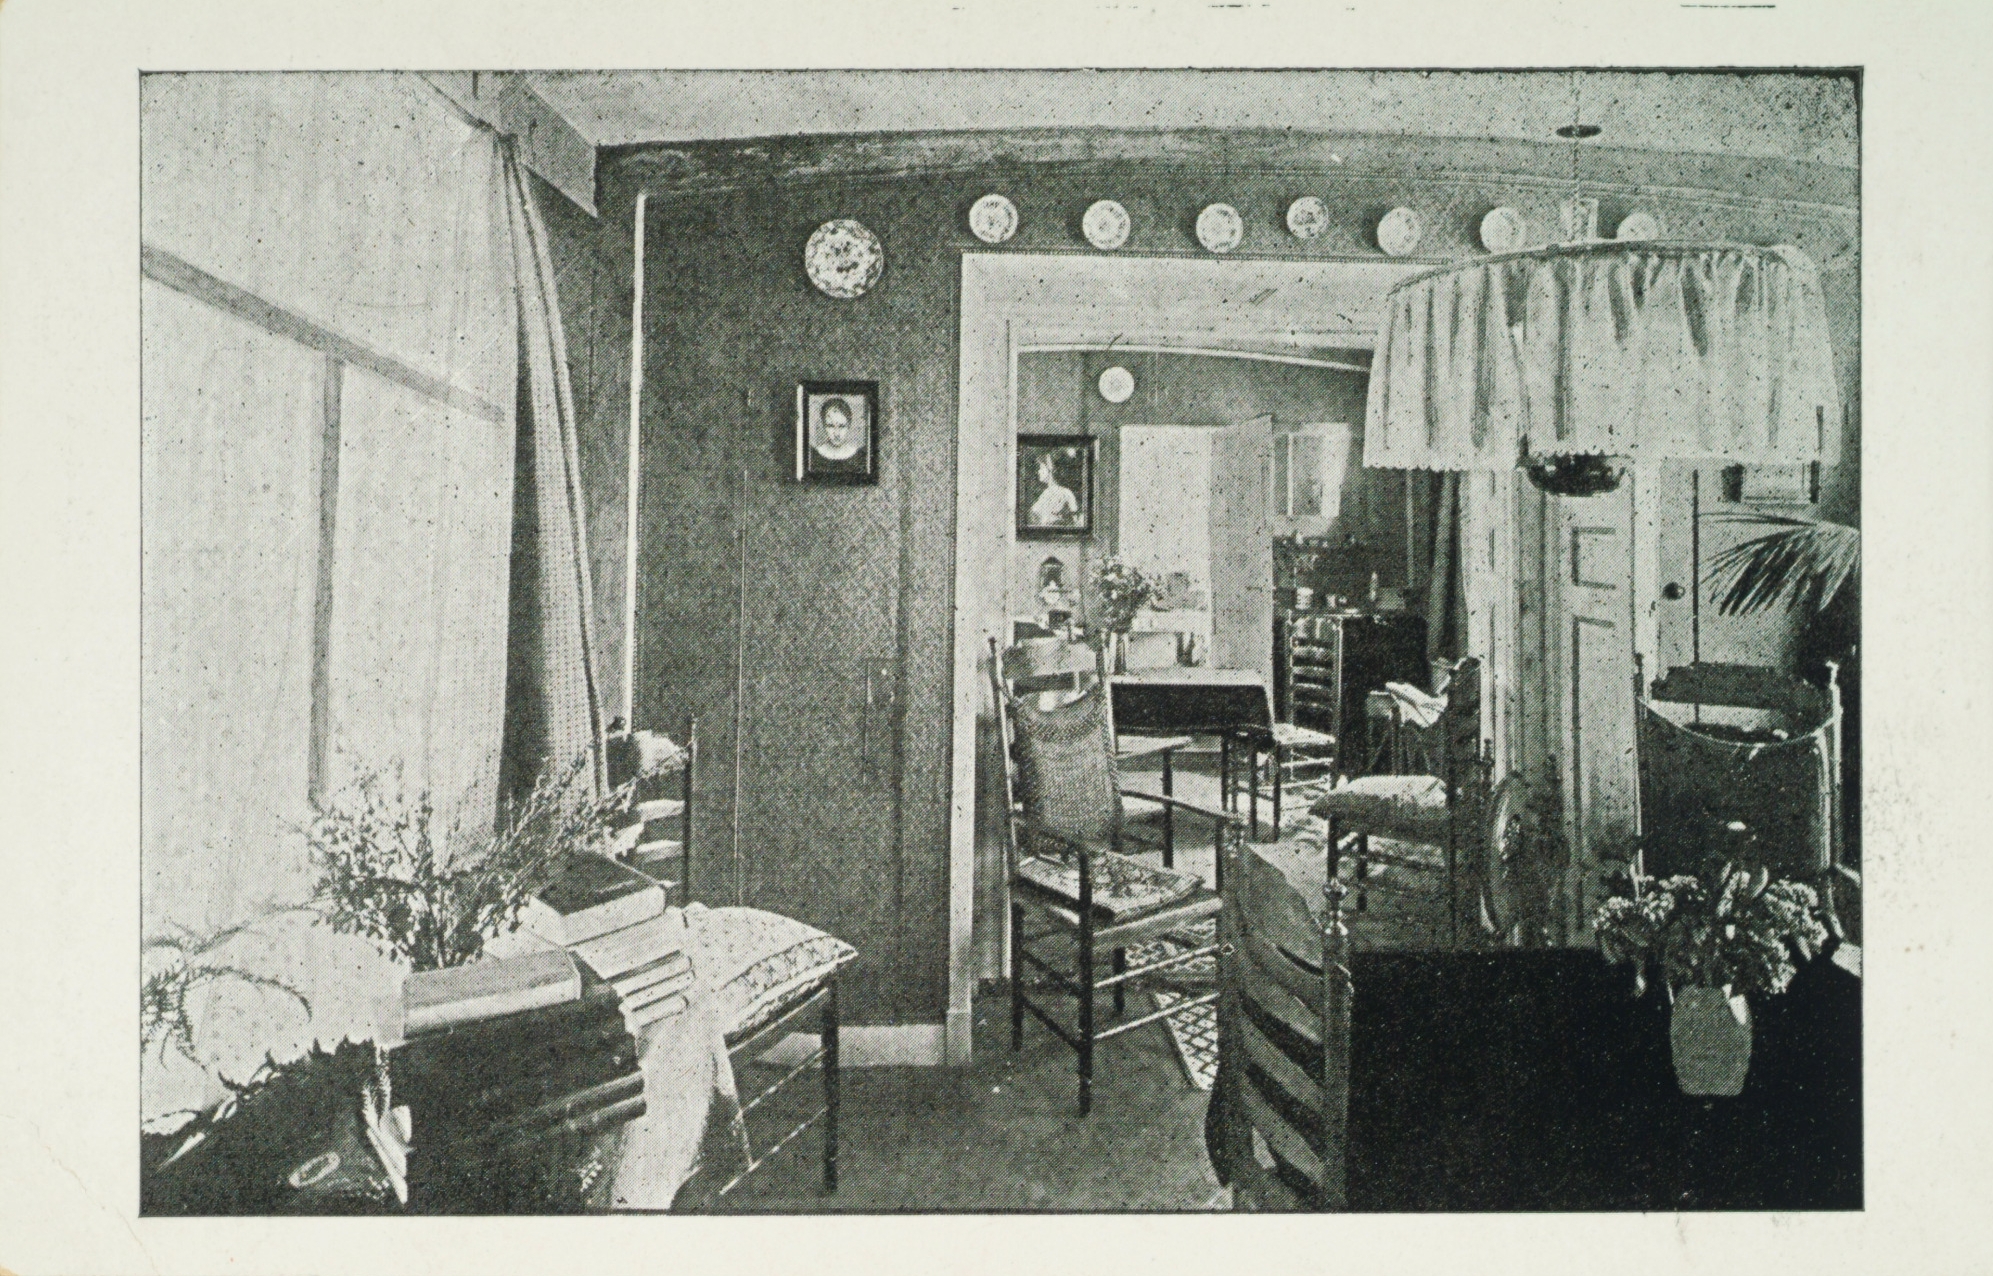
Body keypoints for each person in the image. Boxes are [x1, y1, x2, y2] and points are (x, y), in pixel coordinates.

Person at [1028, 453, 1080, 527]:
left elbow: (1076, 522)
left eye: (1042, 468)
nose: (1038, 471)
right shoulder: (1045, 494)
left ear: (1051, 469)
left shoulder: (1066, 493)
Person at [812, 397, 863, 461]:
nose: (837, 434)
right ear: (824, 426)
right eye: (831, 426)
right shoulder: (813, 456)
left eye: (842, 426)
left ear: (849, 426)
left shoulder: (860, 456)